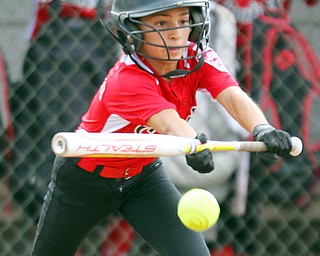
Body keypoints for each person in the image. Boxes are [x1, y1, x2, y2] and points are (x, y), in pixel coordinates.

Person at [30, 0, 294, 255]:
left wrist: (262, 129)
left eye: (183, 21)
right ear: (132, 30)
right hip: (84, 179)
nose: (178, 34)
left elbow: (232, 96)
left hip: (142, 176)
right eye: (161, 22)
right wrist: (193, 144)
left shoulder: (196, 59)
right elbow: (168, 122)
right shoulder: (126, 79)